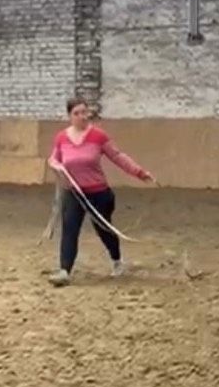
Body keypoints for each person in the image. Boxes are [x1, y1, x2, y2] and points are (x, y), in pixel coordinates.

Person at [47, 97, 155, 287]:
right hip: (74, 193)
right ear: (69, 116)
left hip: (98, 193)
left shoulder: (98, 136)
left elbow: (118, 156)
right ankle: (64, 270)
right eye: (77, 113)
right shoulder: (61, 138)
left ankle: (117, 260)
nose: (82, 116)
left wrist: (139, 172)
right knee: (70, 230)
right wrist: (55, 165)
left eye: (84, 112)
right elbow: (54, 159)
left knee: (104, 230)